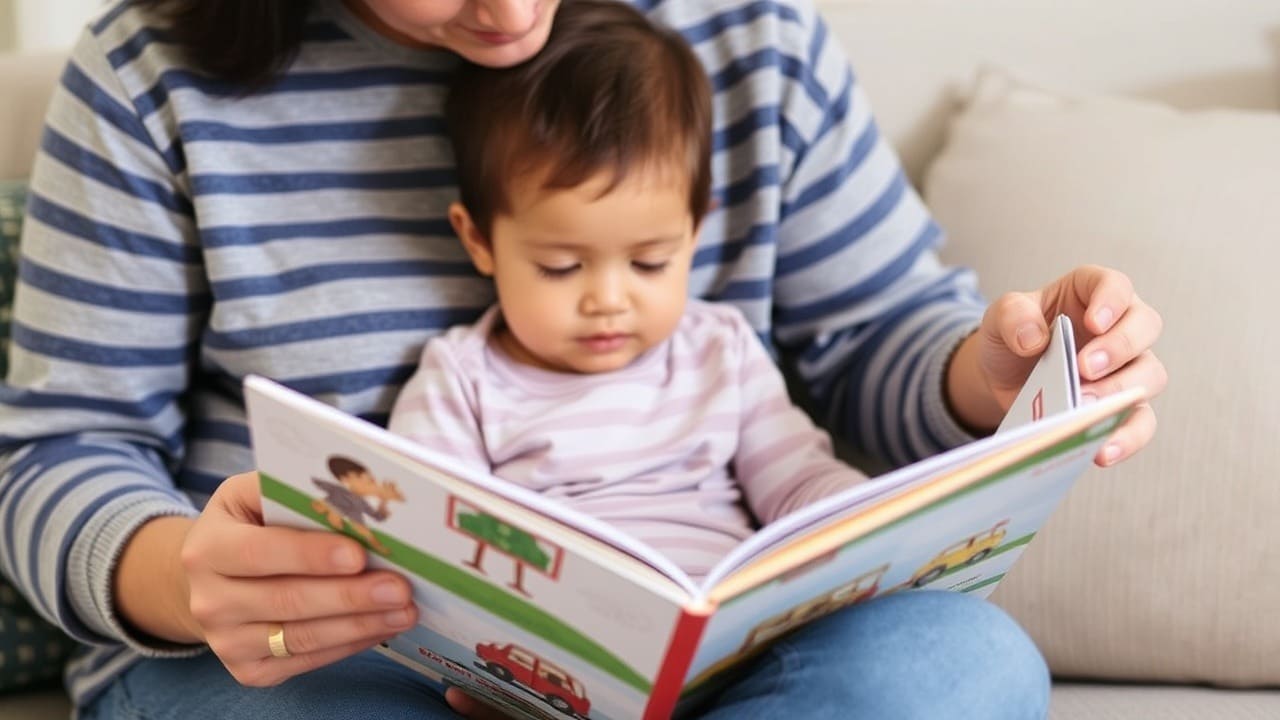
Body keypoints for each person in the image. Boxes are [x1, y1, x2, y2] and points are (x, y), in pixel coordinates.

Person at [0, 0, 1166, 718]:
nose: (513, 18)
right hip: (328, 665)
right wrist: (173, 576)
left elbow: (869, 348)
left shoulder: (750, 38)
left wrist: (997, 379)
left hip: (712, 662)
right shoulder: (147, 80)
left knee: (955, 668)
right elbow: (59, 454)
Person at [388, 0, 871, 588]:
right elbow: (430, 535)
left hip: (729, 627)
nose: (608, 300)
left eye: (650, 262)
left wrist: (863, 521)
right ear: (479, 239)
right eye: (561, 267)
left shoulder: (722, 352)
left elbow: (798, 481)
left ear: (694, 231)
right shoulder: (461, 381)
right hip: (554, 646)